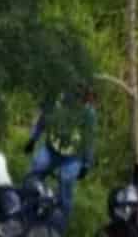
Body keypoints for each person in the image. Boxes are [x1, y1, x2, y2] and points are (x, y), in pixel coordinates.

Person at [25, 89, 99, 218]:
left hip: (73, 157)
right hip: (51, 149)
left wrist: (86, 164)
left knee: (67, 179)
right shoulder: (56, 101)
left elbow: (89, 140)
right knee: (36, 168)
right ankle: (26, 203)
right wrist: (33, 139)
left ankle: (60, 219)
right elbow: (42, 120)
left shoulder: (89, 114)